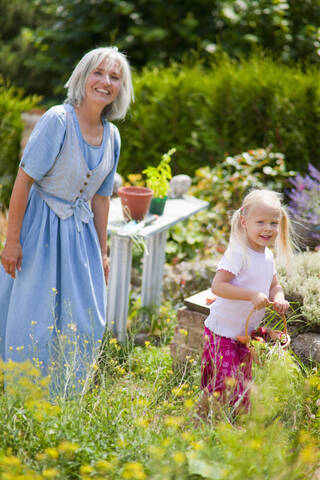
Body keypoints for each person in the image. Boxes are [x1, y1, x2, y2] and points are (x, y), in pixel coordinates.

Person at [0, 46, 134, 392]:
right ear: (83, 76)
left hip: (81, 235)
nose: (105, 81)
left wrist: (102, 252)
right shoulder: (58, 121)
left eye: (114, 77)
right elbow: (24, 180)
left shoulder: (112, 137)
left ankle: (65, 394)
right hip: (40, 230)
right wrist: (12, 241)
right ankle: (23, 394)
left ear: (121, 87)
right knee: (35, 317)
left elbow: (102, 198)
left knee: (84, 320)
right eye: (98, 73)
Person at [200, 189, 294, 414]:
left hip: (245, 335)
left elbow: (274, 285)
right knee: (224, 384)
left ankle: (237, 427)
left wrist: (279, 298)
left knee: (242, 384)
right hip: (222, 332)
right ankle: (206, 422)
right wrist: (251, 295)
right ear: (244, 222)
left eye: (273, 222)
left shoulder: (267, 256)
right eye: (260, 221)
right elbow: (218, 286)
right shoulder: (238, 253)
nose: (268, 228)